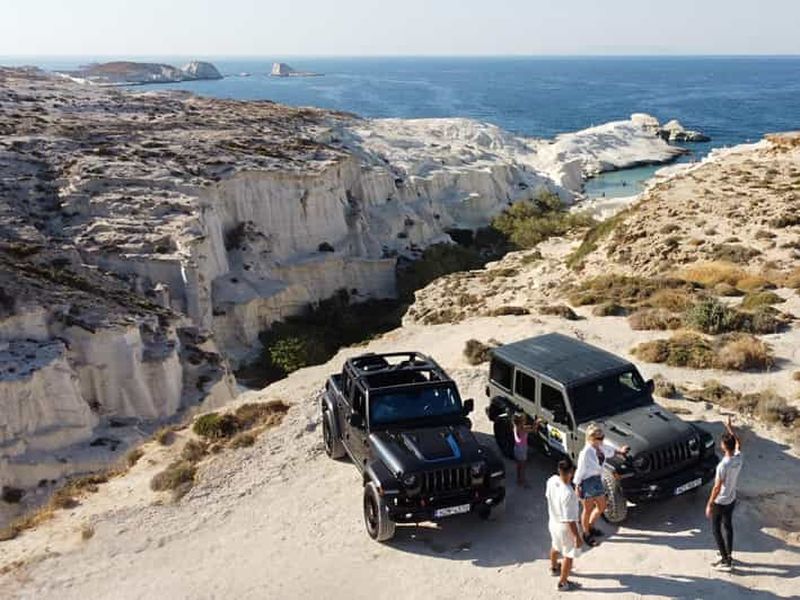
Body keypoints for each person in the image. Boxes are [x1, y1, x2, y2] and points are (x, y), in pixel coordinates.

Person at [574, 423, 630, 546]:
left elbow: (610, 451)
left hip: (597, 479)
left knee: (602, 506)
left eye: (602, 437)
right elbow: (580, 470)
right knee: (587, 510)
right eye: (599, 438)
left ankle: (590, 526)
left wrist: (620, 451)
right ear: (591, 439)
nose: (602, 440)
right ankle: (586, 533)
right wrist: (577, 486)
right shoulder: (586, 453)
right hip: (586, 482)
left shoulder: (601, 447)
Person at [706, 415, 743, 571]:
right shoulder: (739, 458)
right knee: (728, 527)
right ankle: (728, 555)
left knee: (716, 530)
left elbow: (716, 487)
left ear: (723, 446)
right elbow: (739, 444)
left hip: (720, 501)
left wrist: (709, 504)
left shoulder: (723, 465)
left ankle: (725, 561)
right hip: (732, 499)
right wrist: (729, 427)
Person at [546, 458, 583, 592]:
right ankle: (562, 583)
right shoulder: (568, 494)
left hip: (553, 522)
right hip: (565, 528)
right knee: (569, 555)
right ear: (571, 472)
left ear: (559, 470)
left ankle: (554, 567)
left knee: (555, 546)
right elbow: (570, 520)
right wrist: (577, 537)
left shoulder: (551, 480)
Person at [513, 413, 533, 487]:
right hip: (522, 449)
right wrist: (537, 422)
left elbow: (527, 427)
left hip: (516, 448)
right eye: (524, 420)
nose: (525, 421)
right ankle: (522, 481)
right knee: (523, 466)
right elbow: (533, 429)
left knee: (519, 466)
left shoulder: (516, 427)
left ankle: (518, 479)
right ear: (521, 422)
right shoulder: (523, 429)